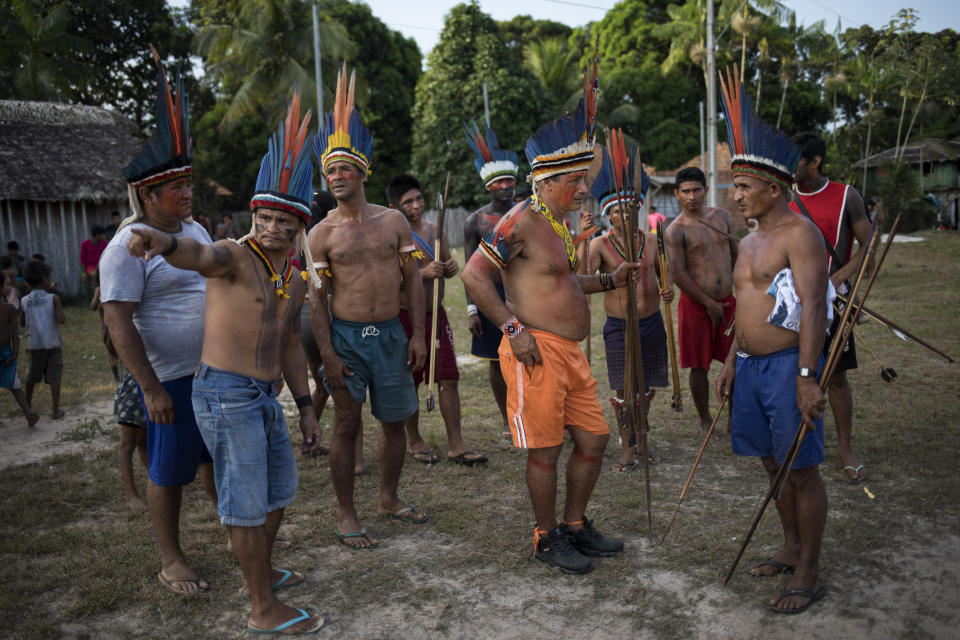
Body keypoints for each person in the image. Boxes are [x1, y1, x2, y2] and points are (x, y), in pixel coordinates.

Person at [127, 89, 324, 635]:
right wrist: (160, 243)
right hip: (223, 391)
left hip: (264, 396)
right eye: (269, 217)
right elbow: (198, 256)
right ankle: (263, 609)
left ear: (301, 227)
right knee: (244, 502)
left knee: (278, 493)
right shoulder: (234, 255)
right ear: (254, 213)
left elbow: (288, 345)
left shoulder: (294, 277)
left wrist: (306, 406)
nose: (277, 229)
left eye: (290, 222)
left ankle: (254, 575)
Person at [462, 65, 635, 575]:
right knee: (546, 450)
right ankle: (546, 536)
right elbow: (474, 276)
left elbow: (561, 283)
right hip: (534, 348)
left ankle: (576, 526)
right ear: (548, 180)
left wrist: (609, 280)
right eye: (577, 180)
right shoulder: (519, 221)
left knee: (594, 439)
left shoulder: (557, 227)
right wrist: (513, 332)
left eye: (585, 179)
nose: (584, 189)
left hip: (571, 353)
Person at [100, 47, 217, 596]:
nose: (188, 193)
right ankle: (171, 557)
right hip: (168, 377)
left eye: (189, 184)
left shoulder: (195, 232)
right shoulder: (125, 245)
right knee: (168, 470)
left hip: (214, 369)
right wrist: (149, 388)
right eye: (177, 187)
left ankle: (232, 524)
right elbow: (117, 318)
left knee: (216, 455)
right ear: (147, 194)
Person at [715, 71, 831, 614]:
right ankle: (789, 546)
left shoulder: (799, 235)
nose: (735, 196)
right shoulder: (748, 241)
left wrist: (808, 377)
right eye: (734, 187)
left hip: (789, 367)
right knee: (769, 463)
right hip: (752, 369)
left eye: (743, 188)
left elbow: (813, 306)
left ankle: (808, 568)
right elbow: (746, 307)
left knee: (800, 469)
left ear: (774, 189)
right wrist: (733, 362)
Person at [307, 65, 428, 550]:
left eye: (344, 169)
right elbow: (316, 300)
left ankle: (389, 498)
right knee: (349, 423)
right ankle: (346, 512)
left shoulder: (394, 222)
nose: (337, 177)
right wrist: (328, 355)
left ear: (363, 172)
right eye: (330, 171)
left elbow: (413, 280)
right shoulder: (320, 235)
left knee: (394, 421)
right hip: (347, 339)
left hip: (391, 336)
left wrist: (417, 334)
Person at [580, 154, 673, 472]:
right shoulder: (600, 245)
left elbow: (663, 273)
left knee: (645, 388)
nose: (625, 213)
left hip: (651, 322)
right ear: (608, 215)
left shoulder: (652, 241)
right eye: (617, 209)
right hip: (620, 327)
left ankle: (643, 439)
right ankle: (628, 448)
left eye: (630, 207)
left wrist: (668, 286)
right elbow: (583, 278)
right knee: (624, 389)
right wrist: (582, 239)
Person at [386, 174, 487, 466]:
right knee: (410, 380)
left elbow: (443, 265)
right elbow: (389, 280)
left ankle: (456, 443)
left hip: (436, 314)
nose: (416, 206)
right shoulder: (392, 238)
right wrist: (422, 273)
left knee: (449, 378)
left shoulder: (434, 229)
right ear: (394, 207)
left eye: (419, 199)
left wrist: (450, 267)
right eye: (408, 202)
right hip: (405, 316)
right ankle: (414, 439)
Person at [790, 132, 872, 483]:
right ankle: (800, 444)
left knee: (835, 377)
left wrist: (838, 276)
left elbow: (870, 248)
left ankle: (845, 449)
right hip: (792, 303)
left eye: (793, 160)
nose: (787, 168)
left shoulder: (846, 196)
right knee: (793, 372)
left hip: (834, 302)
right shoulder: (783, 198)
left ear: (815, 161)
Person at [663, 166, 737, 438]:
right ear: (677, 194)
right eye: (686, 191)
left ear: (706, 190)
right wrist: (708, 302)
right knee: (698, 365)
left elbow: (735, 255)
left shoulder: (723, 217)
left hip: (728, 303)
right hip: (696, 305)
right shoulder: (675, 230)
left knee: (736, 359)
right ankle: (706, 420)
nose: (691, 196)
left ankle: (734, 418)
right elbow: (679, 274)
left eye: (696, 190)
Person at [462, 119, 519, 438]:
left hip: (523, 296)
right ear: (488, 186)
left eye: (510, 181)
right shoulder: (475, 222)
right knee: (497, 360)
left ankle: (531, 410)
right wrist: (472, 310)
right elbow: (471, 270)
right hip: (488, 298)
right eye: (499, 183)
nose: (506, 187)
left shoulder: (529, 213)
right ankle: (507, 418)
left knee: (529, 352)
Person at [20, 260, 66, 419]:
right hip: (53, 343)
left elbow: (22, 322)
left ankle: (27, 405)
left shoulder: (24, 300)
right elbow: (61, 319)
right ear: (45, 279)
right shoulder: (53, 298)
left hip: (34, 344)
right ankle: (55, 410)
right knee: (55, 376)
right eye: (50, 277)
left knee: (31, 376)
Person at [1, 272, 39, 427]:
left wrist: (15, 351)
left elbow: (15, 332)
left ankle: (29, 415)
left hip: (6, 354)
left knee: (15, 385)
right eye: (7, 285)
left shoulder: (9, 308)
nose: (11, 288)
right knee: (15, 385)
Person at [80, 225, 108, 301]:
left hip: (101, 266)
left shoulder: (104, 243)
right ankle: (98, 296)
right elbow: (82, 259)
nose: (104, 236)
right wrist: (84, 273)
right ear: (96, 235)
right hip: (90, 268)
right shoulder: (85, 244)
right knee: (95, 274)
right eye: (102, 234)